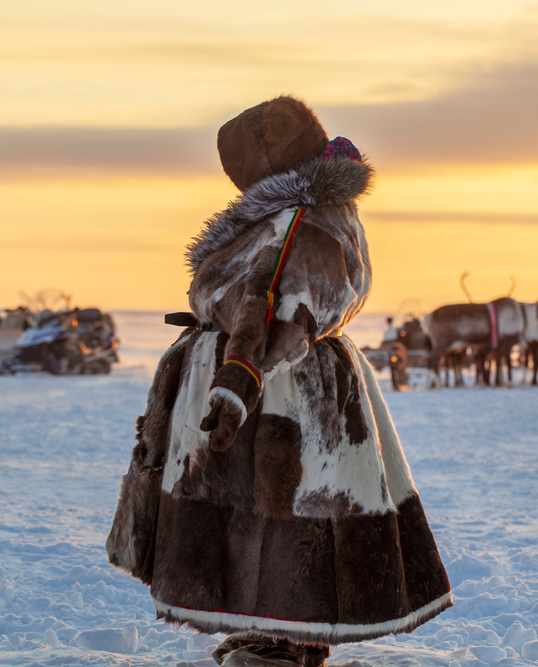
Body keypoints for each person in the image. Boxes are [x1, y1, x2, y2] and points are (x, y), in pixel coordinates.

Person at [107, 96, 452, 667]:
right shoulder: (316, 212)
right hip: (301, 384)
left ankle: (296, 643)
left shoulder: (299, 221)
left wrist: (235, 382)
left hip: (284, 395)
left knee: (288, 509)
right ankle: (276, 629)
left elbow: (277, 310)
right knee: (288, 509)